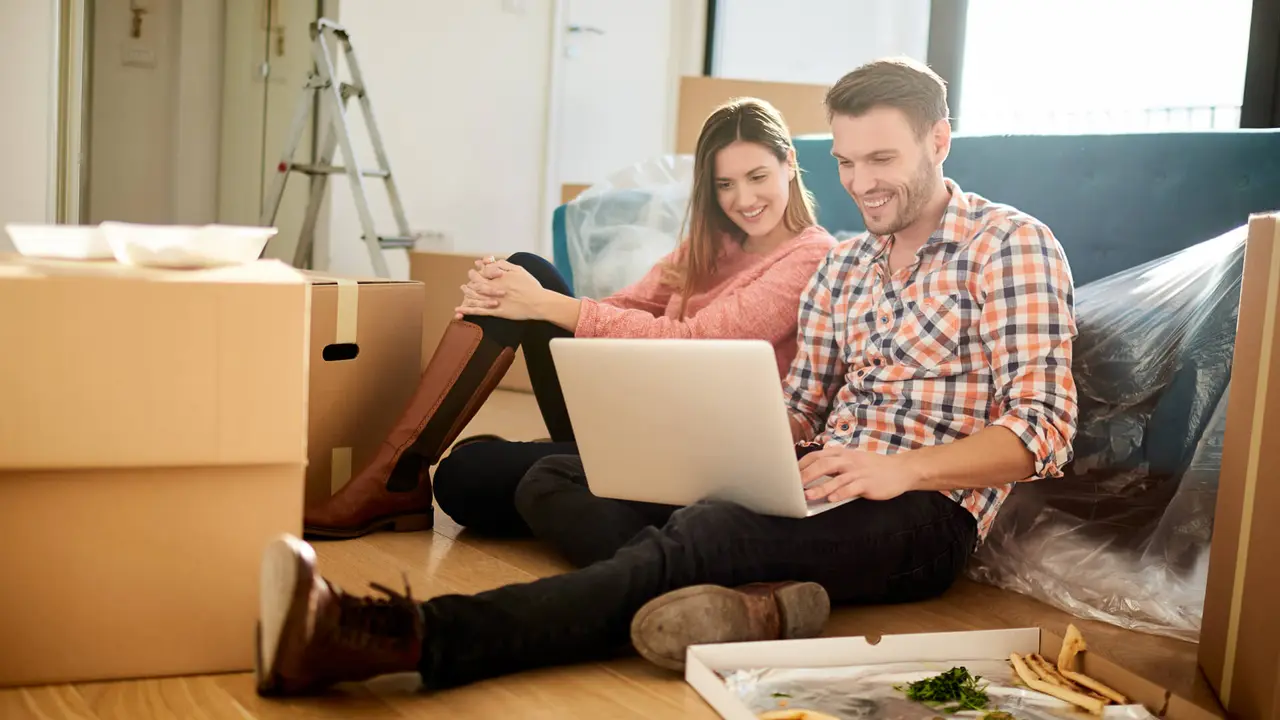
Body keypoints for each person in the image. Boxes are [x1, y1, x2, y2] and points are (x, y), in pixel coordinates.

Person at [253, 56, 1079, 698]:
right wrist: (725, 444)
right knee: (558, 471)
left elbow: (1043, 430)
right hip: (814, 476)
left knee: (707, 532)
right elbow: (802, 406)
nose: (862, 183)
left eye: (883, 159)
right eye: (850, 161)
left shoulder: (1010, 246)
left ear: (940, 140)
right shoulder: (849, 268)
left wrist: (896, 469)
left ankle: (394, 635)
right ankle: (758, 605)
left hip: (921, 516)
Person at [302, 97, 836, 540]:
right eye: (724, 185)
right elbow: (623, 309)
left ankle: (433, 476)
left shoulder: (812, 255)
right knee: (525, 270)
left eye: (757, 176)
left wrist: (541, 303)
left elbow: (698, 339)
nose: (743, 198)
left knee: (465, 478)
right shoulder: (708, 245)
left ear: (789, 162)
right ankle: (395, 473)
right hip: (638, 413)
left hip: (698, 453)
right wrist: (520, 294)